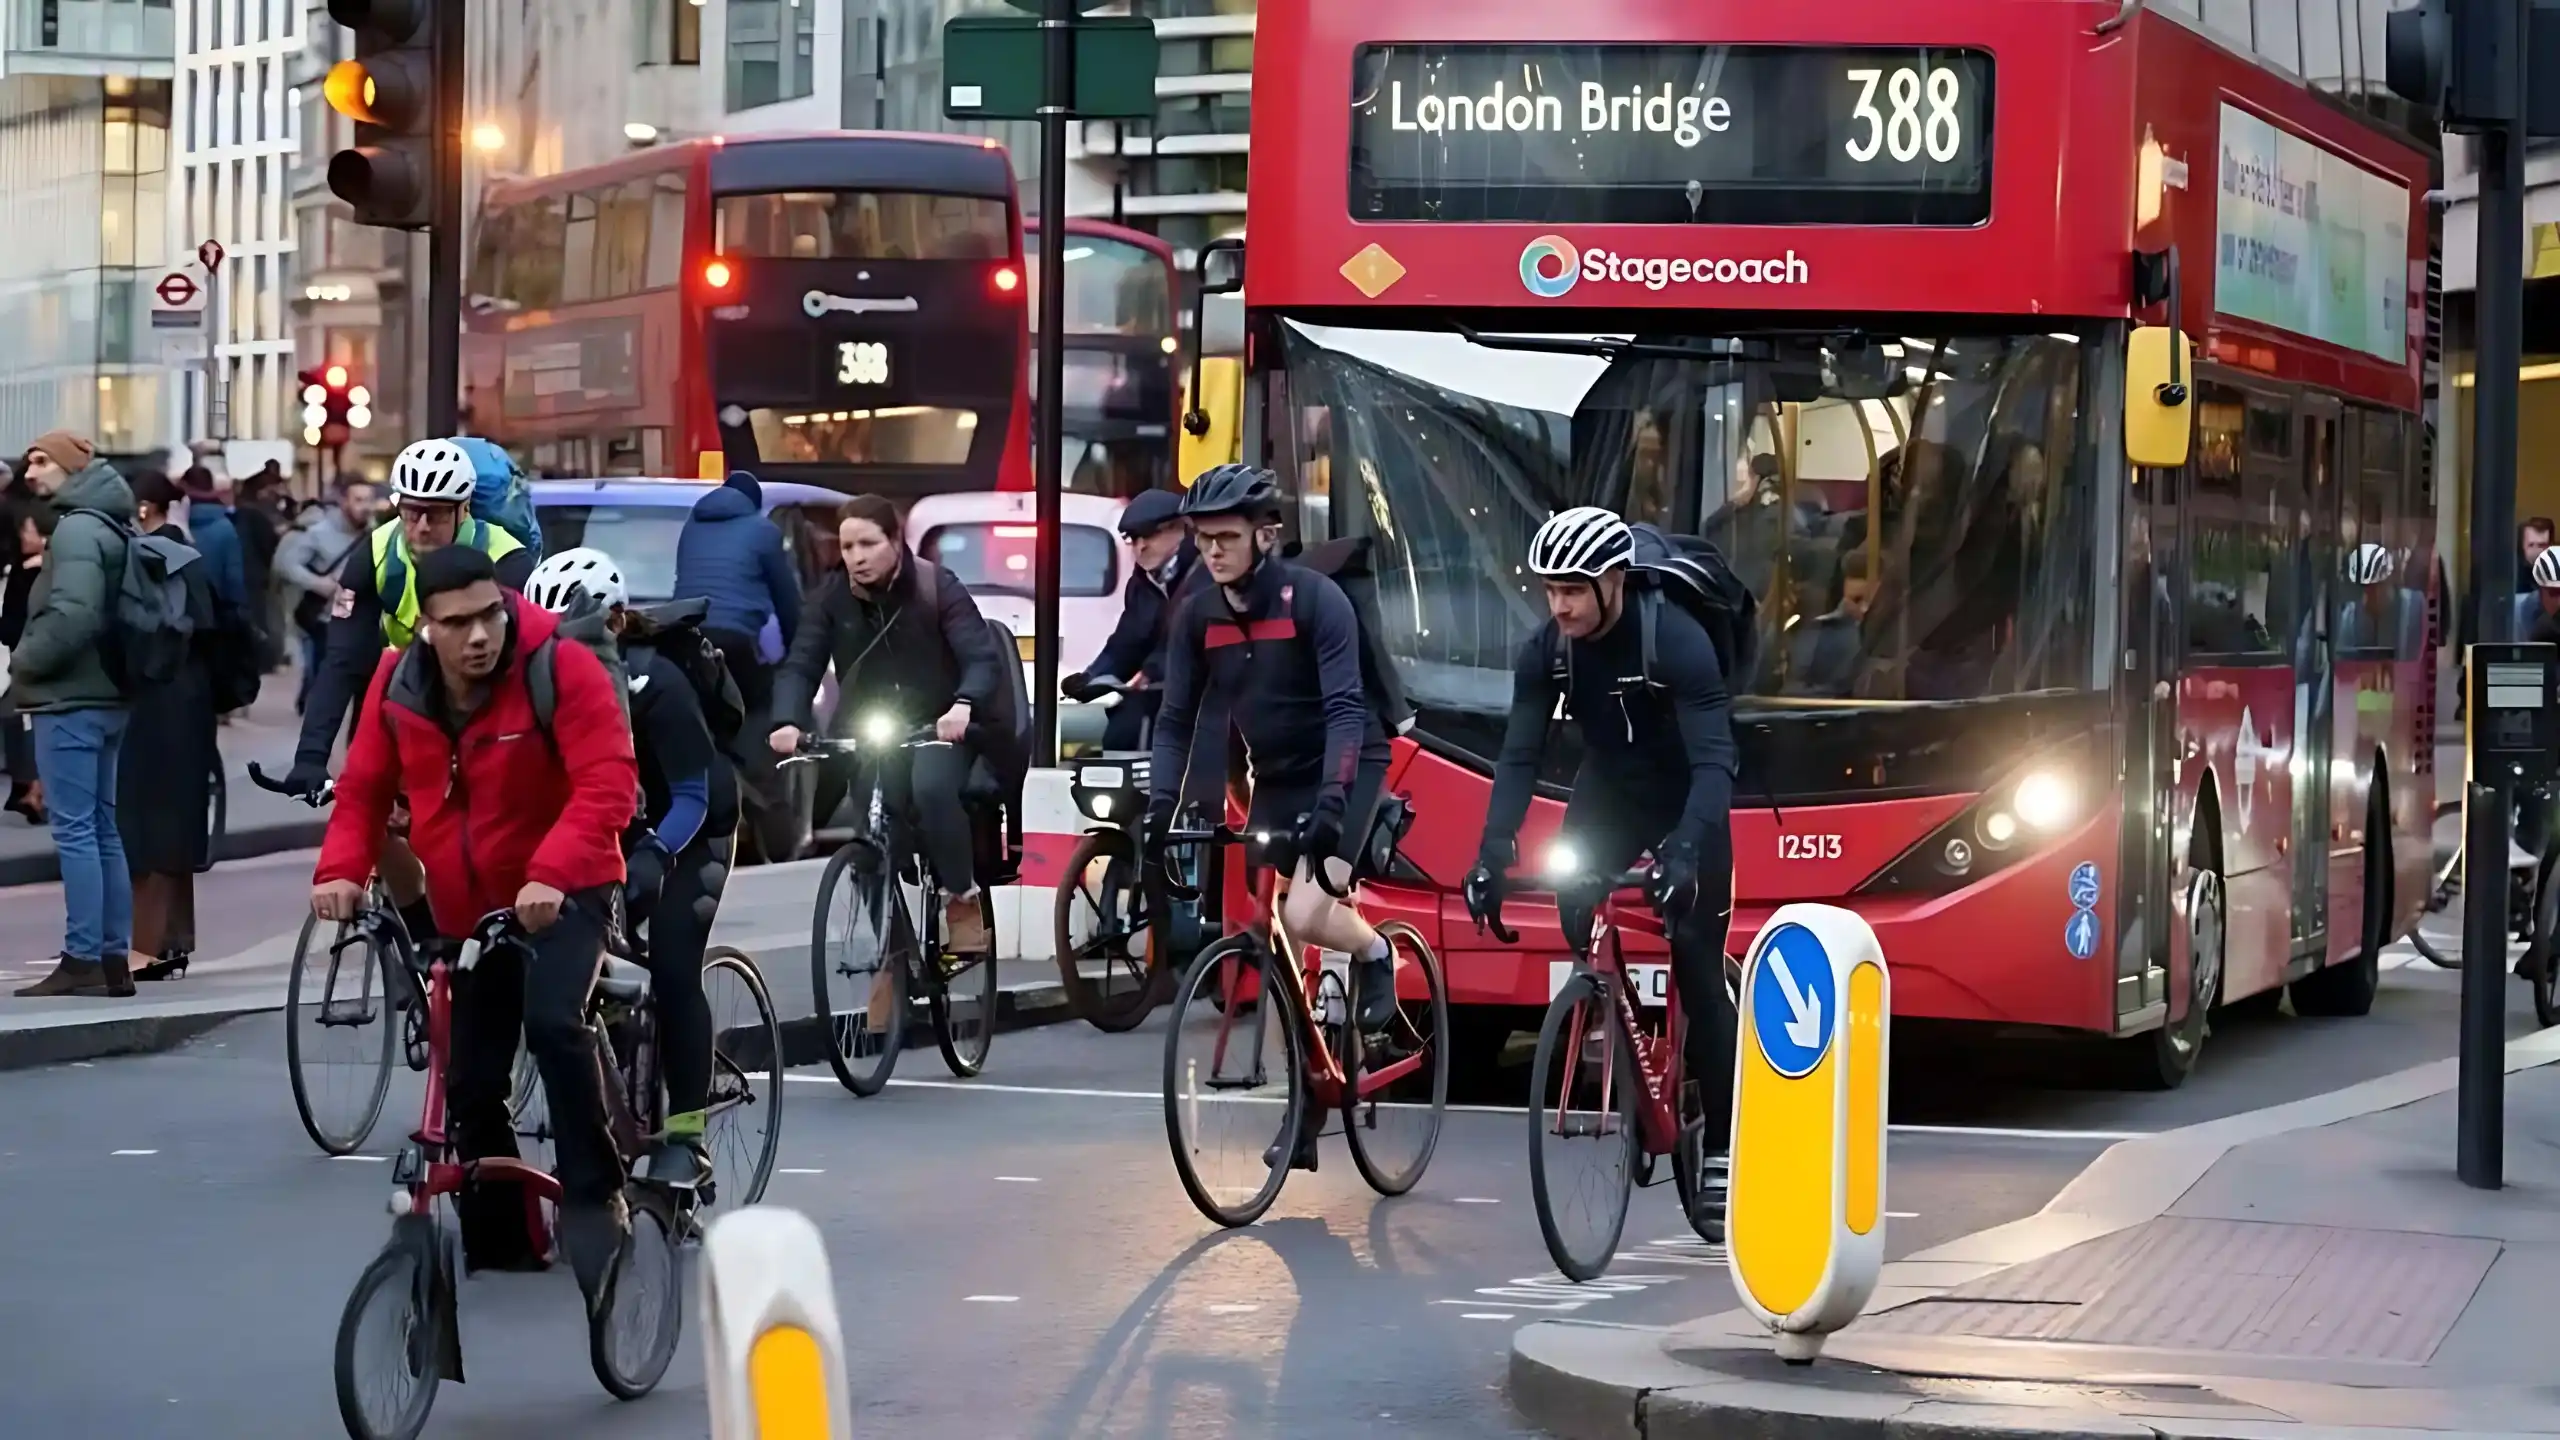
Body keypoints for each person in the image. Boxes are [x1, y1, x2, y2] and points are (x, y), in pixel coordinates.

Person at [311, 544, 638, 1302]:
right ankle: (507, 1233)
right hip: (470, 908)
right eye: (457, 623)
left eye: (490, 613)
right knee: (470, 1079)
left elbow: (609, 783)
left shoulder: (560, 664)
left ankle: (595, 1194)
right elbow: (363, 790)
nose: (480, 635)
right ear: (426, 625)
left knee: (555, 1022)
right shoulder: (399, 682)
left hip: (567, 888)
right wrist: (339, 872)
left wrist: (551, 872)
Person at [1462, 506, 1741, 1240]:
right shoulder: (1546, 650)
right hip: (1612, 791)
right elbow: (1518, 756)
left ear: (1615, 580)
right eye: (1551, 589)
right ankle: (1627, 1040)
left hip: (1689, 795)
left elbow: (1717, 759)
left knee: (1699, 968)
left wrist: (1685, 849)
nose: (1561, 605)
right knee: (1574, 907)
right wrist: (1493, 852)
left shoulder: (1673, 638)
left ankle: (1722, 1147)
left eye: (1576, 589)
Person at [1141, 465, 1397, 1168]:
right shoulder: (1198, 613)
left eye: (1227, 537)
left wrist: (1333, 804)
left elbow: (1348, 710)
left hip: (1351, 766)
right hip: (1277, 775)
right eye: (1203, 539)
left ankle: (1377, 953)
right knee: (1276, 941)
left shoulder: (1315, 602)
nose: (1213, 551)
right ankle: (1307, 1100)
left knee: (1310, 912)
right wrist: (1161, 809)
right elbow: (1173, 721)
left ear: (1267, 534)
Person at [524, 547, 735, 1190]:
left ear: (612, 624)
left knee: (672, 969)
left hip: (688, 829)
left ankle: (689, 1136)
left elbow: (693, 797)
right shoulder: (539, 679)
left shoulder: (657, 684)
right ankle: (600, 1114)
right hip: (610, 830)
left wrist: (655, 853)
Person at [768, 495, 1016, 956]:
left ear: (895, 541)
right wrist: (787, 719)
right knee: (871, 824)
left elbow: (979, 657)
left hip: (938, 725)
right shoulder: (830, 599)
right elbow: (801, 665)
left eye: (867, 543)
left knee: (932, 790)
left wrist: (963, 705)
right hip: (870, 727)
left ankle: (961, 898)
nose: (856, 557)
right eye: (846, 547)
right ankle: (891, 951)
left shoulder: (936, 587)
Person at [284, 438, 534, 813]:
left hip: (486, 701)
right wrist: (310, 757)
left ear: (463, 510)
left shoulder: (505, 555)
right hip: (406, 694)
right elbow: (341, 661)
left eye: (434, 514)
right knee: (367, 805)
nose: (419, 528)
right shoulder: (375, 552)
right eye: (410, 512)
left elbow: (527, 659)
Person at [9, 432, 139, 998]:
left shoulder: (79, 528)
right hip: (106, 695)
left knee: (77, 831)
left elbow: (75, 612)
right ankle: (112, 956)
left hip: (72, 696)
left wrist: (23, 663)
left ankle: (83, 954)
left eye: (41, 462)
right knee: (103, 829)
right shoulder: (108, 521)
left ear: (71, 468)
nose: (30, 472)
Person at [114, 472, 225, 981]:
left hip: (156, 698)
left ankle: (148, 945)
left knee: (146, 819)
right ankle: (174, 940)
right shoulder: (189, 556)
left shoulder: (150, 559)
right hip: (193, 699)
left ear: (142, 508)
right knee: (176, 815)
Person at [1065, 488, 1196, 751]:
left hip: (1201, 697)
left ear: (1181, 527)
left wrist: (1151, 672)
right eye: (1132, 538)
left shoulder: (1205, 573)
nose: (1140, 546)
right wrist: (1091, 678)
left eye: (1149, 534)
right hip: (1158, 695)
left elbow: (1196, 639)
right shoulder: (1141, 583)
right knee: (1120, 735)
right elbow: (1127, 641)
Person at [673, 469, 801, 719]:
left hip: (683, 636)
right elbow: (786, 599)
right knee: (761, 709)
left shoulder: (691, 527)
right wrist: (795, 653)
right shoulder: (764, 530)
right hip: (734, 638)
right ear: (753, 503)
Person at [274, 479, 377, 714]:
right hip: (326, 616)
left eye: (368, 500)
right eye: (358, 500)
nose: (365, 506)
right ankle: (313, 705)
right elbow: (287, 564)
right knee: (322, 669)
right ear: (344, 502)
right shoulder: (319, 533)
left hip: (361, 616)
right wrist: (319, 584)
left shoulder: (376, 533)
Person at [1784, 548, 1874, 697]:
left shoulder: (1893, 637)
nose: (1863, 609)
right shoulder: (1824, 636)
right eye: (1856, 600)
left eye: (1871, 601)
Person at [2, 507, 45, 824]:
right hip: (20, 654)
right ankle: (29, 787)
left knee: (27, 720)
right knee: (16, 719)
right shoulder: (21, 569)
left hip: (37, 658)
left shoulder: (49, 573)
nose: (23, 537)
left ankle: (36, 790)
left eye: (29, 530)